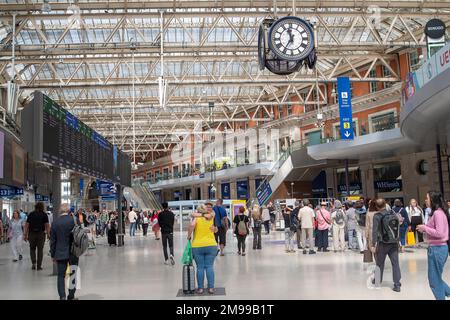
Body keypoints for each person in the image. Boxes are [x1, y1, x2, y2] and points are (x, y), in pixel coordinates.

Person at [417, 191, 450, 300]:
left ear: (433, 200)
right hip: (436, 248)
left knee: (434, 280)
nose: (425, 200)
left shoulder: (438, 214)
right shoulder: (438, 213)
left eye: (427, 198)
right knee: (436, 278)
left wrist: (425, 228)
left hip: (438, 249)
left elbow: (440, 233)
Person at [371, 198, 401, 292]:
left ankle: (377, 281)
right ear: (385, 204)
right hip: (394, 243)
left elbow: (374, 230)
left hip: (382, 243)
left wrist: (373, 244)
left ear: (376, 206)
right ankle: (397, 285)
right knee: (395, 264)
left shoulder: (377, 215)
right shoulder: (392, 213)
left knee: (379, 263)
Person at [188, 204, 218, 295]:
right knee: (209, 267)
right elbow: (215, 230)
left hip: (197, 245)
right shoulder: (211, 216)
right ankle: (211, 288)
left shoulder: (196, 218)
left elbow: (191, 226)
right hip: (211, 245)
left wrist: (189, 236)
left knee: (200, 267)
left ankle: (200, 288)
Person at [50, 203, 78, 300]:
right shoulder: (73, 220)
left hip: (60, 252)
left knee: (61, 275)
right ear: (69, 211)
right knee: (73, 273)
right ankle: (71, 295)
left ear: (60, 211)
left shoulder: (55, 223)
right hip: (73, 251)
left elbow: (53, 241)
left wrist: (53, 254)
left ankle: (62, 296)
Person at [23, 202, 50, 270]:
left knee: (32, 249)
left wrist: (25, 234)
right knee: (40, 250)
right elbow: (47, 225)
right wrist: (48, 234)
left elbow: (27, 225)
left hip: (32, 234)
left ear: (35, 207)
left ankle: (33, 263)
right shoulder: (44, 214)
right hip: (41, 234)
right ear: (42, 207)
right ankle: (39, 266)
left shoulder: (31, 214)